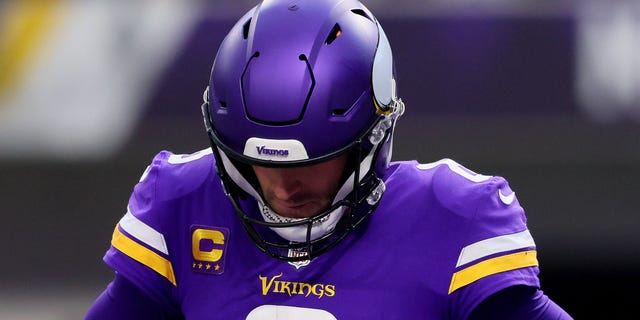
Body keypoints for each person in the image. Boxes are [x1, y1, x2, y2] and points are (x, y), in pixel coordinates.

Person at [86, 0, 573, 318]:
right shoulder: (183, 204)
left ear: (374, 134)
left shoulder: (452, 217)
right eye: (261, 163)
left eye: (306, 163)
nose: (281, 188)